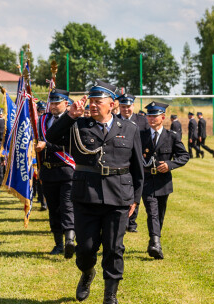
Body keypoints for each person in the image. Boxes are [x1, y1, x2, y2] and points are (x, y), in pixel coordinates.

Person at [46, 80, 143, 304]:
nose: (93, 105)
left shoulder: (129, 129)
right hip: (86, 195)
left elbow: (138, 168)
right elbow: (51, 138)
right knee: (86, 249)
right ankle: (87, 272)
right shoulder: (78, 126)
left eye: (98, 102)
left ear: (112, 104)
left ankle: (110, 294)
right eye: (91, 101)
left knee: (114, 248)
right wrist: (70, 115)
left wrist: (135, 199)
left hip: (118, 196)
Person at [141, 102, 189, 259]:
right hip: (146, 180)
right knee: (152, 212)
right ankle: (155, 243)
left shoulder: (172, 137)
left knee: (160, 214)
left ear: (163, 117)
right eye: (149, 115)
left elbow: (184, 156)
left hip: (163, 181)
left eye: (155, 115)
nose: (151, 118)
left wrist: (170, 164)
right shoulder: (140, 135)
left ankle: (154, 240)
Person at [35, 88, 76, 258]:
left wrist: (48, 146)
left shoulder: (73, 120)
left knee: (67, 206)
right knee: (53, 209)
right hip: (49, 170)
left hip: (66, 169)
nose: (53, 106)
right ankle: (58, 243)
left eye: (57, 102)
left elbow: (72, 145)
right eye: (51, 102)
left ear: (66, 103)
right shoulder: (43, 120)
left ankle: (69, 241)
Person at [116, 93, 149, 234]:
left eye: (128, 106)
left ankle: (132, 222)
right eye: (123, 107)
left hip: (138, 160)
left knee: (136, 189)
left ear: (133, 106)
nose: (126, 109)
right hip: (120, 161)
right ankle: (122, 220)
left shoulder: (142, 121)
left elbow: (148, 138)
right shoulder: (114, 120)